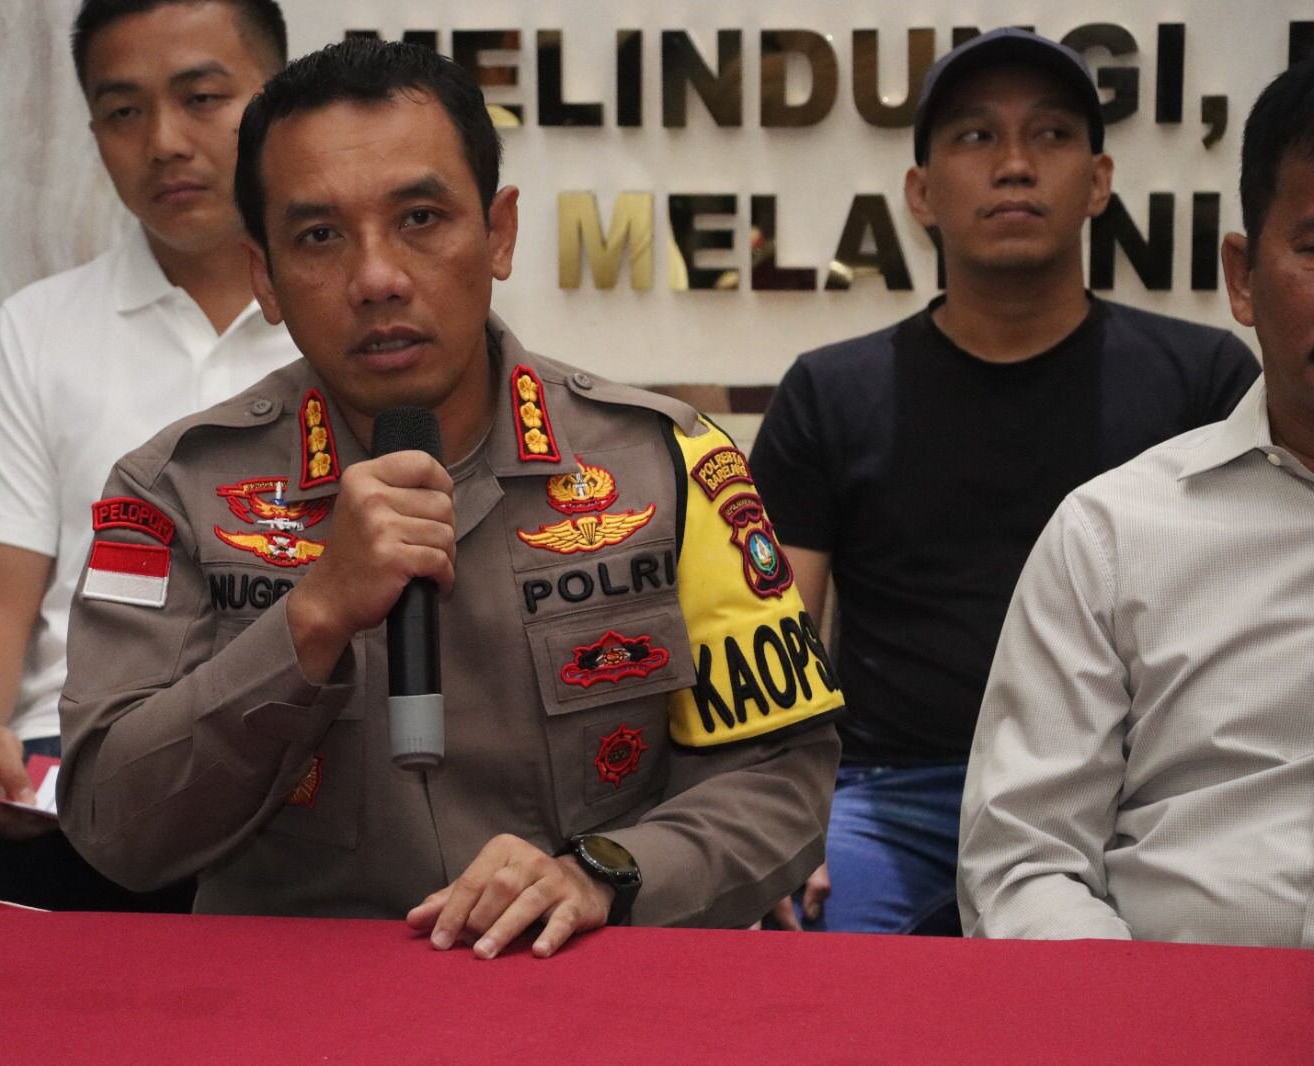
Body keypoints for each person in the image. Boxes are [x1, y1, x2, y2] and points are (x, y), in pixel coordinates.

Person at [56, 38, 843, 960]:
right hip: (295, 998)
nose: (377, 278)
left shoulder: (665, 465)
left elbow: (781, 779)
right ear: (264, 275)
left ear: (499, 233)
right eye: (319, 237)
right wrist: (308, 623)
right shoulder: (174, 492)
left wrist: (604, 875)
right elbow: (113, 826)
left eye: (421, 218)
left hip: (582, 984)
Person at [747, 28, 1261, 934]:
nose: (1015, 164)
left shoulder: (1205, 380)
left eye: (1052, 135)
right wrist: (782, 822)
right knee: (814, 964)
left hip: (1137, 795)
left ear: (1098, 181)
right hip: (893, 795)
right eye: (977, 136)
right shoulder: (832, 391)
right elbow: (772, 642)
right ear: (921, 191)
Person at [0, 0, 297, 980]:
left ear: (276, 102)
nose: (164, 142)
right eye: (124, 111)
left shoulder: (350, 312)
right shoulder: (41, 328)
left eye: (203, 97)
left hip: (302, 746)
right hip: (81, 753)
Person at [958, 60, 1314, 947]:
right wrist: (1138, 1011)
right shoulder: (1112, 536)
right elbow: (1025, 864)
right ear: (1243, 277)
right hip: (1171, 1002)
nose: (1013, 164)